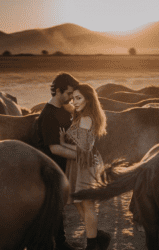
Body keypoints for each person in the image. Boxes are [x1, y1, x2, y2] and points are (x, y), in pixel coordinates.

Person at [59, 83, 111, 250]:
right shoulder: (80, 116)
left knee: (86, 204)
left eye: (79, 98)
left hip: (86, 164)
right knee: (78, 202)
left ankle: (93, 244)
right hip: (79, 164)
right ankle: (99, 236)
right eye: (73, 98)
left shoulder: (86, 118)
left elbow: (84, 149)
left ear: (88, 100)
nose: (75, 101)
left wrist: (61, 144)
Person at [35, 72, 80, 250]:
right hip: (51, 168)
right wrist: (81, 155)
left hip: (62, 166)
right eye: (69, 94)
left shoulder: (63, 110)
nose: (71, 98)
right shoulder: (48, 115)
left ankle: (61, 243)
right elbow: (54, 148)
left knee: (59, 208)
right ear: (59, 91)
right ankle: (60, 245)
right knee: (55, 209)